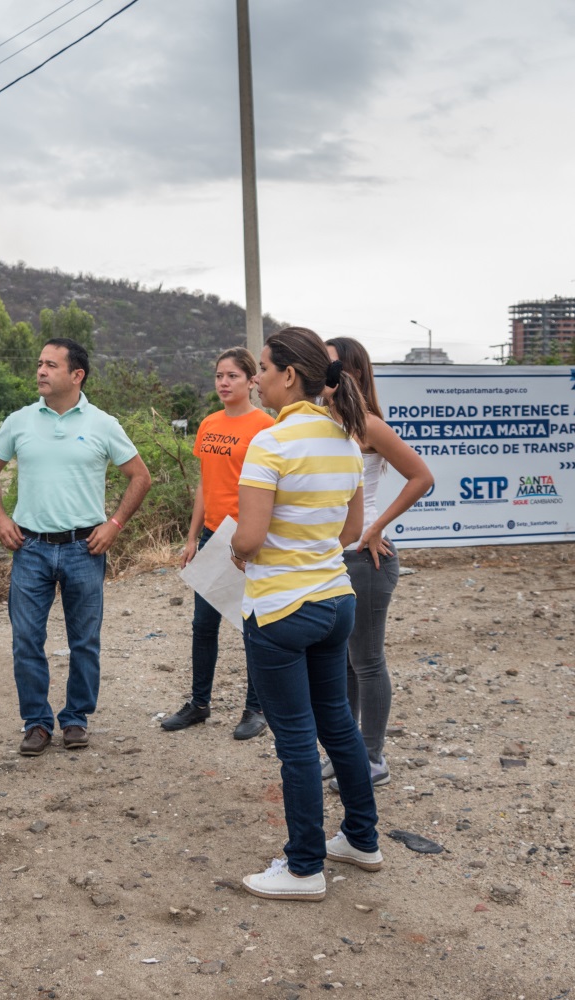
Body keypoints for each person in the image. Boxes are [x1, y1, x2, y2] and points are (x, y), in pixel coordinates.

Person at [231, 326, 381, 902]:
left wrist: (241, 552)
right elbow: (348, 531)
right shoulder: (346, 438)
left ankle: (302, 868)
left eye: (263, 369)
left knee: (295, 739)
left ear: (288, 376)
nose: (257, 379)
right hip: (335, 601)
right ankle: (361, 841)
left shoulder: (270, 443)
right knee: (338, 725)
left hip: (280, 610)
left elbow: (249, 534)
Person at [0, 338, 151, 756]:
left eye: (50, 365)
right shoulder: (19, 420)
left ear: (77, 375)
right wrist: (1, 519)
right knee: (26, 640)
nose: (40, 371)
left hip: (84, 548)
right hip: (31, 547)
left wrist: (115, 524)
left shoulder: (103, 424)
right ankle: (36, 722)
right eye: (39, 363)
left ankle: (76, 718)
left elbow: (140, 476)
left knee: (85, 640)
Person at [321, 337, 435, 790]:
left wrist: (376, 526)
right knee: (344, 663)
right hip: (332, 559)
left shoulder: (366, 425)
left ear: (346, 370)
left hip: (367, 560)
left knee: (367, 662)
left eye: (327, 364)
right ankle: (348, 751)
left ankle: (372, 758)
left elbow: (421, 477)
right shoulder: (322, 423)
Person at [162, 347, 274, 740]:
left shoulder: (265, 426)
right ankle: (199, 704)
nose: (224, 383)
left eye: (233, 376)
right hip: (213, 535)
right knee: (203, 625)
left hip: (247, 537)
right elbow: (205, 487)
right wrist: (192, 538)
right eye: (218, 376)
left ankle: (256, 708)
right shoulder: (209, 424)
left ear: (250, 380)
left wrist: (254, 540)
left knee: (252, 627)